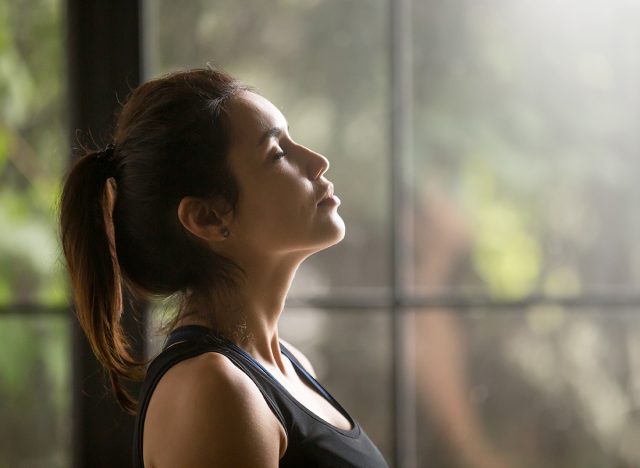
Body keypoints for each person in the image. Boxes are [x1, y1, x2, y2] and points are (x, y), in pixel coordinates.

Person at [58, 67, 389, 468]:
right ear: (208, 218)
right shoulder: (214, 388)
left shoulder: (291, 365)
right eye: (277, 153)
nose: (318, 161)